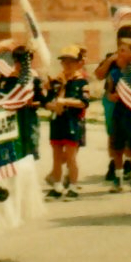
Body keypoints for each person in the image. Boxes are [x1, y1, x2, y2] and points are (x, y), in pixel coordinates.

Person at [44, 45, 89, 199]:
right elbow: (47, 100)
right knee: (56, 156)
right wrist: (52, 106)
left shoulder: (81, 82)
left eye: (71, 61)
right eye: (64, 61)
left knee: (71, 157)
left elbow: (83, 102)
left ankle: (73, 186)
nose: (67, 65)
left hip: (72, 121)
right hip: (57, 120)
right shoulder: (57, 80)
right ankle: (57, 186)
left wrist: (65, 101)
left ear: (78, 63)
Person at [102, 26, 131, 193]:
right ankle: (118, 177)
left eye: (124, 50)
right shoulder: (114, 71)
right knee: (117, 145)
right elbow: (109, 89)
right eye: (120, 50)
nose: (121, 53)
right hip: (119, 110)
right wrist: (111, 95)